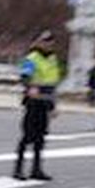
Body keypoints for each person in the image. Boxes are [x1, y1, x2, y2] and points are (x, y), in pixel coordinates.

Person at [13, 29, 63, 180]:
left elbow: (53, 84)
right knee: (27, 136)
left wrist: (54, 105)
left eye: (51, 42)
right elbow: (24, 76)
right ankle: (18, 169)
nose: (48, 44)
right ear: (39, 42)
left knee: (41, 138)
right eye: (45, 41)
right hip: (33, 102)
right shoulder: (32, 58)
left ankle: (36, 170)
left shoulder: (53, 59)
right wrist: (30, 87)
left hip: (46, 102)